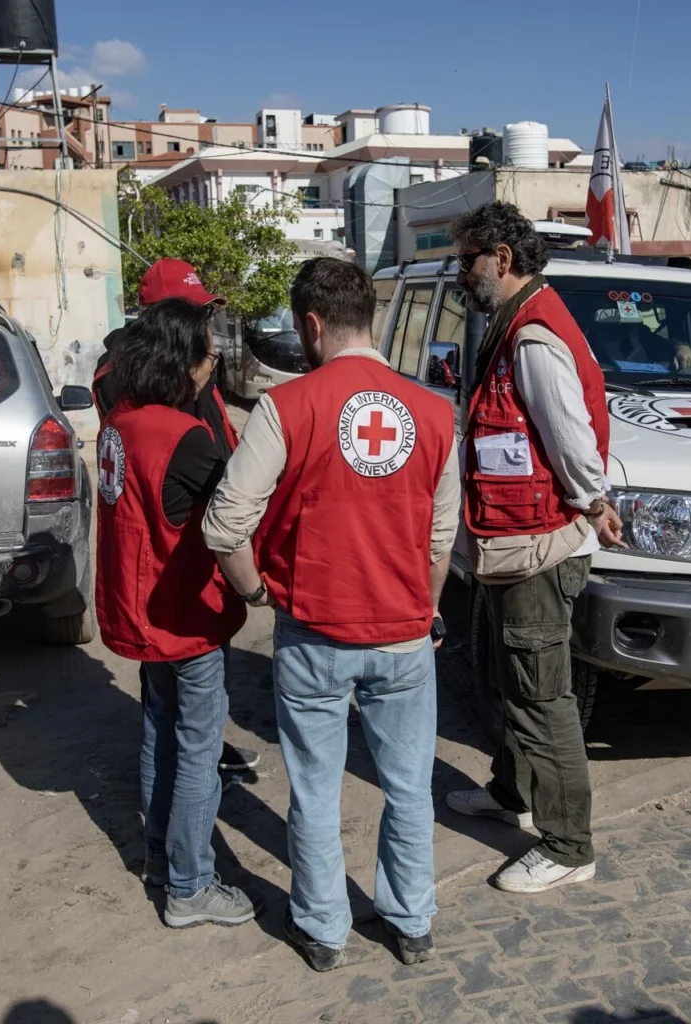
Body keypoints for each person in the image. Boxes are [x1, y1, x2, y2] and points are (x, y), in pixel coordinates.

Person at [203, 257, 458, 971]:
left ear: (311, 325)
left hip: (313, 629)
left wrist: (257, 593)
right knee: (409, 786)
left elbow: (224, 527)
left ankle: (323, 930)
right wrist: (426, 609)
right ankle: (411, 921)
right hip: (405, 633)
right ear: (369, 316)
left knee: (315, 788)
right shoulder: (437, 414)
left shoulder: (287, 408)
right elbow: (442, 541)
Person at [441, 202, 625, 895]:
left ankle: (569, 845)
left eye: (468, 261)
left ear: (503, 260)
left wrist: (594, 502)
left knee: (542, 696)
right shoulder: (517, 323)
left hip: (538, 549)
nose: (462, 274)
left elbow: (572, 440)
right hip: (513, 545)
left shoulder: (534, 337)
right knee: (511, 681)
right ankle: (511, 791)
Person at [95, 298, 257, 930]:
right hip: (184, 618)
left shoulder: (120, 422)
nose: (213, 361)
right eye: (206, 351)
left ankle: (161, 858)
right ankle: (190, 886)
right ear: (180, 359)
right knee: (195, 750)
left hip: (140, 616)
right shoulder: (183, 435)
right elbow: (236, 511)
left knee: (159, 733)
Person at [96, 258, 260, 778]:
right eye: (195, 316)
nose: (207, 335)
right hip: (175, 564)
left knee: (172, 714)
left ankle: (168, 831)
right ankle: (190, 841)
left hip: (175, 553)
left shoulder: (169, 375)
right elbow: (180, 466)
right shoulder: (137, 381)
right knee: (183, 725)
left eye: (206, 314)